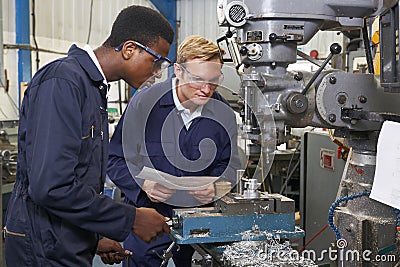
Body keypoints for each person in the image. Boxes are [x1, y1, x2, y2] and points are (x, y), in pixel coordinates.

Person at [4, 5, 174, 267]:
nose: (157, 72)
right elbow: (51, 187)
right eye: (156, 61)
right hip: (42, 250)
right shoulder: (63, 82)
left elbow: (78, 178)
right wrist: (131, 218)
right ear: (129, 49)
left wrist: (92, 239)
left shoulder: (93, 90)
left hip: (64, 241)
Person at [107, 35, 241, 266]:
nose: (207, 89)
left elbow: (231, 165)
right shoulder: (144, 104)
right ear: (178, 71)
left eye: (214, 80)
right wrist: (143, 185)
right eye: (198, 79)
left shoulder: (222, 112)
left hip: (201, 223)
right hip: (149, 222)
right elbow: (115, 160)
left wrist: (217, 186)